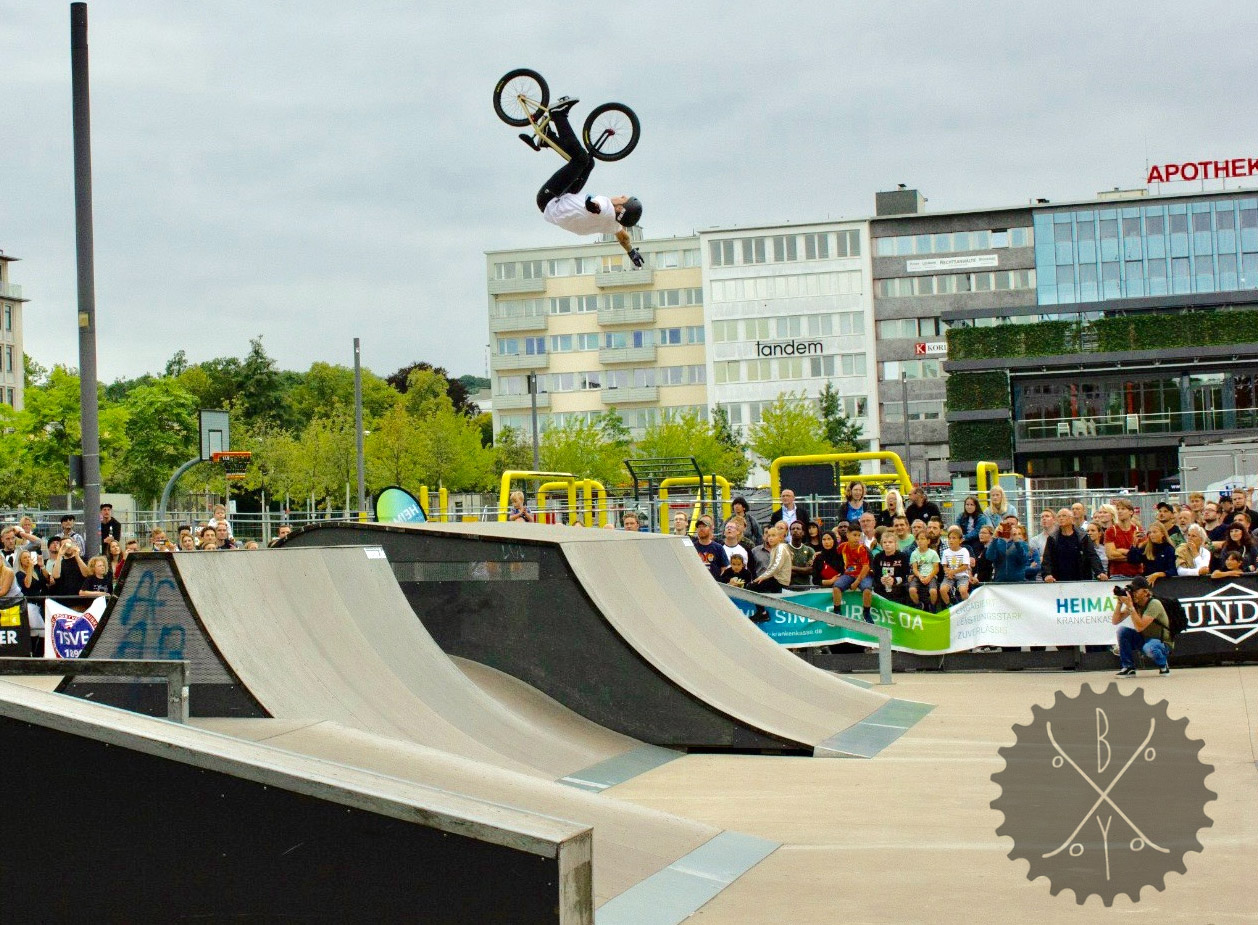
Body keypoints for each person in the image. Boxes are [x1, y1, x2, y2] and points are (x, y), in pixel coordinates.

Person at [527, 97, 644, 262]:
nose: (622, 195)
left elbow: (595, 207)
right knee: (589, 164)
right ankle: (549, 137)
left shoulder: (604, 208)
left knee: (581, 159)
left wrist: (591, 203)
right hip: (561, 202)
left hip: (549, 198)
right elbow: (624, 238)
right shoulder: (614, 225)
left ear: (619, 208)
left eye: (624, 198)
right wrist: (631, 252)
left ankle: (558, 115)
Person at [1112, 576, 1172, 677]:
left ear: (1145, 592)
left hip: (1162, 642)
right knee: (1122, 631)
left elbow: (1140, 627)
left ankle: (1163, 664)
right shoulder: (1135, 604)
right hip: (1145, 639)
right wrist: (1119, 603)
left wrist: (1130, 606)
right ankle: (1128, 667)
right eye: (1132, 590)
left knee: (1149, 647)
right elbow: (1115, 621)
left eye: (1136, 590)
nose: (1133, 593)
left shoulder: (1154, 604)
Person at [1041, 509, 1107, 583]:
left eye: (1064, 516)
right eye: (1059, 516)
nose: (1061, 518)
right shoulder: (1052, 538)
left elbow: (1092, 555)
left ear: (1071, 519)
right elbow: (1047, 558)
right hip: (1059, 580)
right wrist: (1047, 574)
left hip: (1081, 578)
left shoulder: (1082, 536)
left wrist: (1099, 572)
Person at [15, 549, 50, 656]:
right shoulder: (19, 574)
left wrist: (42, 566)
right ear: (20, 561)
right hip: (29, 604)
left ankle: (33, 655)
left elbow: (47, 580)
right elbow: (27, 584)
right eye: (24, 558)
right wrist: (30, 567)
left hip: (38, 604)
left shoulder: (36, 572)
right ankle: (37, 655)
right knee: (42, 630)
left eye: (29, 557)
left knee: (34, 631)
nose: (27, 559)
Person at [835, 528, 874, 622]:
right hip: (848, 574)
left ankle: (866, 613)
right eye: (854, 535)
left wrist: (857, 582)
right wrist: (819, 553)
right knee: (836, 587)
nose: (857, 538)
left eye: (859, 536)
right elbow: (833, 553)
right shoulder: (842, 546)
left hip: (863, 574)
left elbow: (866, 567)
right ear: (847, 535)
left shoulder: (862, 549)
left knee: (867, 590)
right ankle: (836, 612)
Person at [1104, 498, 1144, 578]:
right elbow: (1111, 555)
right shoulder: (1111, 531)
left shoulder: (1138, 530)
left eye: (1123, 509)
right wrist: (1132, 556)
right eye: (1118, 509)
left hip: (1137, 574)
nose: (1119, 511)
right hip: (1117, 574)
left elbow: (1141, 555)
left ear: (1131, 512)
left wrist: (1122, 551)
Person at [748, 524, 792, 595]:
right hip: (774, 579)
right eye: (769, 536)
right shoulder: (774, 548)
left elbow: (776, 567)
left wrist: (763, 577)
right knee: (753, 585)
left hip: (780, 581)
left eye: (773, 536)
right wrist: (762, 577)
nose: (770, 538)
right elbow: (770, 567)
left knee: (752, 586)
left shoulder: (781, 547)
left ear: (780, 538)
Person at [870, 530, 911, 605]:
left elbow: (906, 575)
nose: (887, 544)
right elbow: (875, 574)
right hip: (881, 589)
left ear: (895, 544)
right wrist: (880, 579)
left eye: (890, 542)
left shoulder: (902, 556)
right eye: (885, 542)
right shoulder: (878, 557)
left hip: (899, 590)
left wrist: (895, 580)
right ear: (881, 544)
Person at [985, 519, 1030, 584]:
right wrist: (995, 537)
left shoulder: (1022, 543)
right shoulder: (997, 542)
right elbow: (989, 557)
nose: (1009, 527)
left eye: (1012, 524)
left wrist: (1016, 542)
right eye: (1007, 524)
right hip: (999, 581)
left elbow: (1023, 559)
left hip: (1018, 582)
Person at [939, 526, 974, 605]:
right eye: (949, 538)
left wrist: (953, 571)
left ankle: (969, 605)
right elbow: (944, 565)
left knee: (963, 591)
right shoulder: (946, 552)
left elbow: (965, 566)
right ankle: (949, 606)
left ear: (960, 540)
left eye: (954, 538)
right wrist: (948, 572)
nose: (951, 540)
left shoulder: (964, 551)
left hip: (962, 575)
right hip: (949, 576)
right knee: (942, 590)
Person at [908, 531, 940, 611]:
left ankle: (932, 606)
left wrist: (929, 577)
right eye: (918, 539)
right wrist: (920, 576)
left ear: (928, 541)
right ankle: (918, 604)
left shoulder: (933, 553)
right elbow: (914, 569)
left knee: (933, 591)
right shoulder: (914, 554)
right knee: (912, 590)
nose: (920, 541)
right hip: (918, 576)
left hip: (931, 576)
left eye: (922, 539)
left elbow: (936, 568)